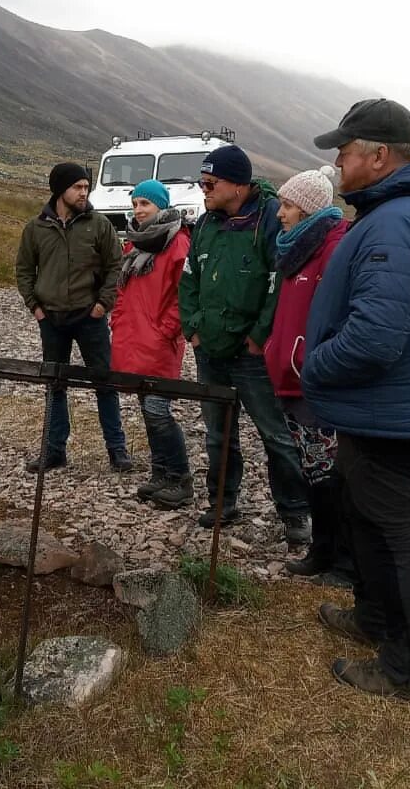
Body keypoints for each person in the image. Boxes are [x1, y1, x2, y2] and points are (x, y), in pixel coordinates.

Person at [301, 98, 410, 703]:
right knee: (367, 519)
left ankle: (407, 673)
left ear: (378, 156)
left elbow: (375, 336)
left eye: (344, 152)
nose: (337, 164)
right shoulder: (407, 210)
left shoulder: (399, 221)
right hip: (381, 406)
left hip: (386, 408)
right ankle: (374, 620)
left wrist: (311, 364)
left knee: (394, 535)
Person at [178, 144, 313, 545]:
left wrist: (259, 337)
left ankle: (294, 512)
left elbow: (279, 280)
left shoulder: (270, 219)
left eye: (210, 182)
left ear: (237, 185)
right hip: (211, 348)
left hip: (251, 355)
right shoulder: (205, 223)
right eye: (202, 182)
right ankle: (223, 503)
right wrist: (193, 328)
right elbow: (189, 278)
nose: (203, 189)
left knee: (275, 434)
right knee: (218, 434)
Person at [263, 166, 355, 585]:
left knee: (332, 472)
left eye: (287, 206)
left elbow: (342, 316)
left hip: (315, 382)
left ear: (309, 209)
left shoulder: (332, 249)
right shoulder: (299, 249)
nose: (280, 214)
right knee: (314, 469)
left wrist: (315, 362)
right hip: (293, 378)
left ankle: (343, 561)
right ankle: (322, 550)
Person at [15, 162, 130, 472]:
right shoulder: (36, 228)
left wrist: (102, 306)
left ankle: (117, 450)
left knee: (104, 382)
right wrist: (35, 308)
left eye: (86, 186)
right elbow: (24, 270)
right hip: (51, 319)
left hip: (89, 317)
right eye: (77, 186)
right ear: (59, 189)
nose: (84, 192)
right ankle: (54, 451)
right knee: (55, 384)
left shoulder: (99, 224)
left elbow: (115, 267)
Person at [109, 179, 193, 508]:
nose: (138, 210)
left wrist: (166, 330)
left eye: (145, 203)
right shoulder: (134, 245)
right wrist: (118, 321)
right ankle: (161, 474)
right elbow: (122, 289)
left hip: (158, 342)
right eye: (135, 204)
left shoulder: (178, 243)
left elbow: (182, 293)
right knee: (147, 409)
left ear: (161, 205)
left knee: (158, 411)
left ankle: (180, 479)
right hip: (133, 338)